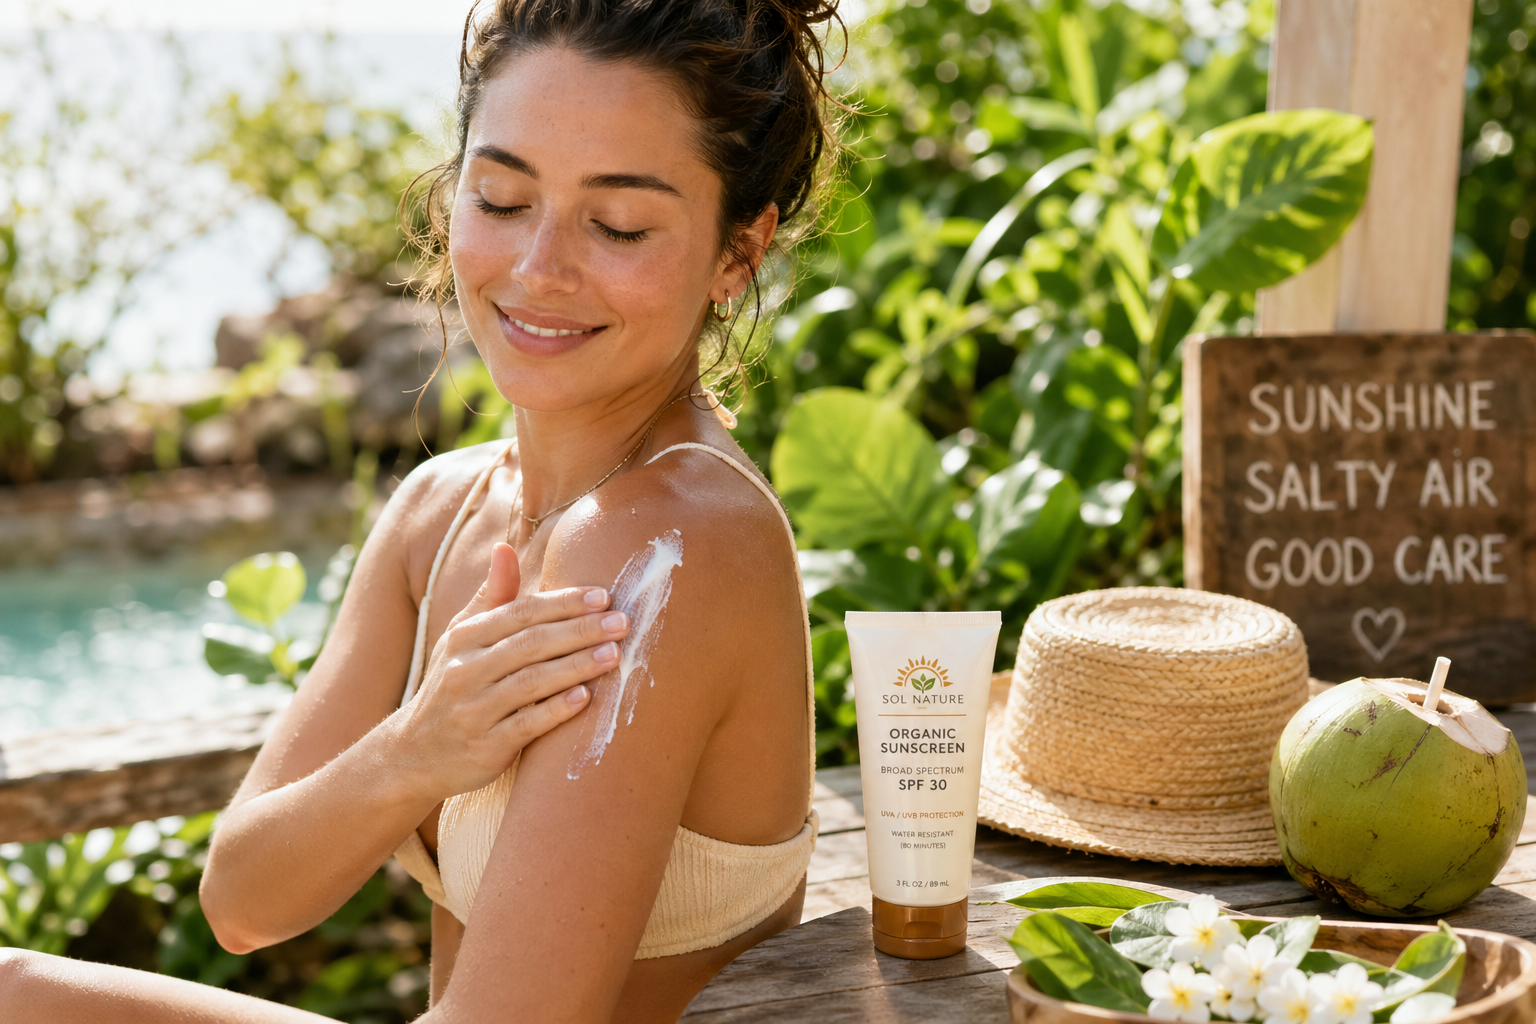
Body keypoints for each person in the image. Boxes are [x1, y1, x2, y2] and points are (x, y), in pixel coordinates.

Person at [0, 0, 842, 1019]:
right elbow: (244, 900)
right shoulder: (442, 510)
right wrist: (420, 745)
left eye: (617, 223)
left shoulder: (675, 539)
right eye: (500, 198)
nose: (538, 267)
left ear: (737, 254)